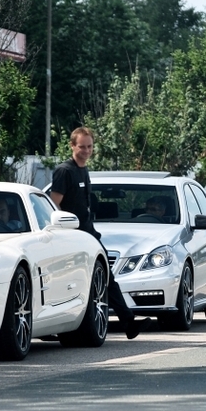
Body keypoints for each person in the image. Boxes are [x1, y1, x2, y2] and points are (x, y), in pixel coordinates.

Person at [50, 126, 151, 340]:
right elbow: (53, 204)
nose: (86, 151)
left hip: (88, 233)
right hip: (72, 235)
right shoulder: (64, 171)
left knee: (106, 278)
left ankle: (128, 322)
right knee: (80, 280)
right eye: (81, 147)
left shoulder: (83, 170)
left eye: (89, 146)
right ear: (72, 146)